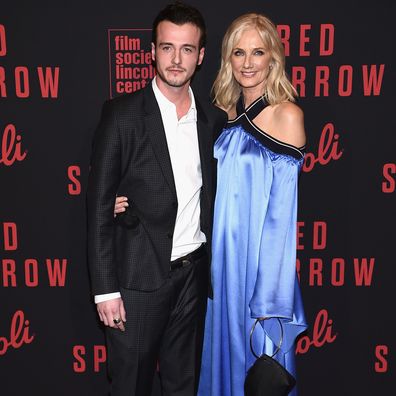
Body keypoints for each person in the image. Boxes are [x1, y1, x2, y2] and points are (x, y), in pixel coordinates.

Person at [87, 2, 227, 395]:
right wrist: (106, 290)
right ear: (151, 52)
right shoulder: (122, 115)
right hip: (135, 282)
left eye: (186, 49)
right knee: (131, 385)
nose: (176, 59)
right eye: (167, 47)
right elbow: (98, 208)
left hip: (193, 277)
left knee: (184, 385)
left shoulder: (213, 120)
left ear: (200, 56)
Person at [196, 12, 308, 396]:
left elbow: (282, 214)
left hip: (260, 270)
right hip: (219, 266)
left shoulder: (287, 115)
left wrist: (271, 300)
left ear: (272, 58)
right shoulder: (221, 115)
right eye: (238, 53)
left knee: (261, 371)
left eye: (257, 52)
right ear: (227, 58)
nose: (247, 63)